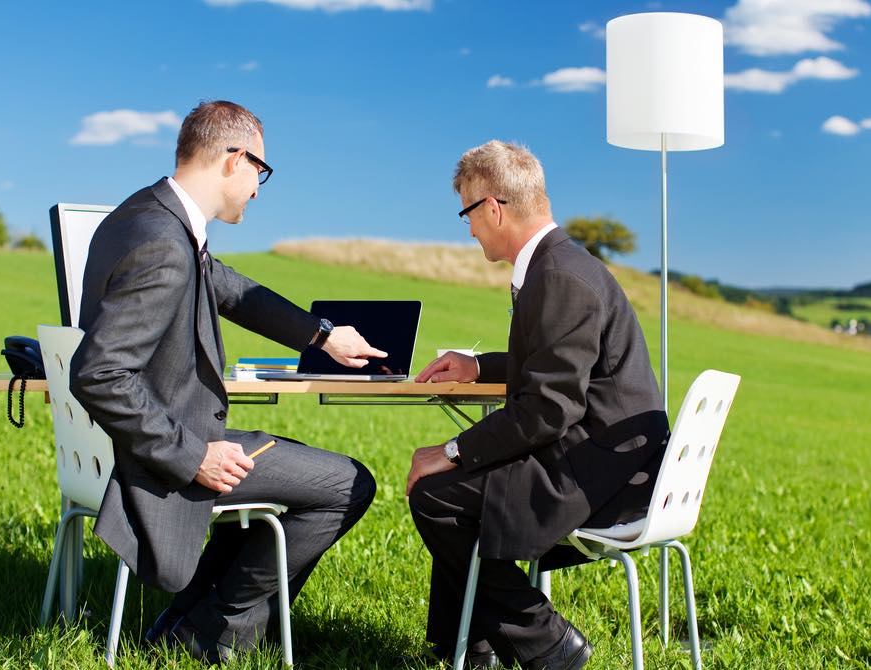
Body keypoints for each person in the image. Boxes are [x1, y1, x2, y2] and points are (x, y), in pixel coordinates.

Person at [70, 100, 379, 664]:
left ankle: (190, 617)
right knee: (349, 484)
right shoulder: (163, 244)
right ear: (236, 158)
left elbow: (227, 287)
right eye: (260, 171)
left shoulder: (145, 215)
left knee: (291, 463)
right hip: (167, 457)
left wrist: (322, 334)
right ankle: (217, 631)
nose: (259, 188)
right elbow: (99, 373)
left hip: (150, 440)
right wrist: (194, 457)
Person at [405, 140, 669, 670]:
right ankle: (467, 644)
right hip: (606, 458)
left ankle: (546, 645)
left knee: (436, 494)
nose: (470, 229)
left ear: (493, 207)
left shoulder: (558, 277)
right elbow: (559, 360)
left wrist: (454, 449)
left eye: (467, 213)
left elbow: (549, 409)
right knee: (448, 486)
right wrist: (480, 366)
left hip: (599, 475)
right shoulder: (562, 264)